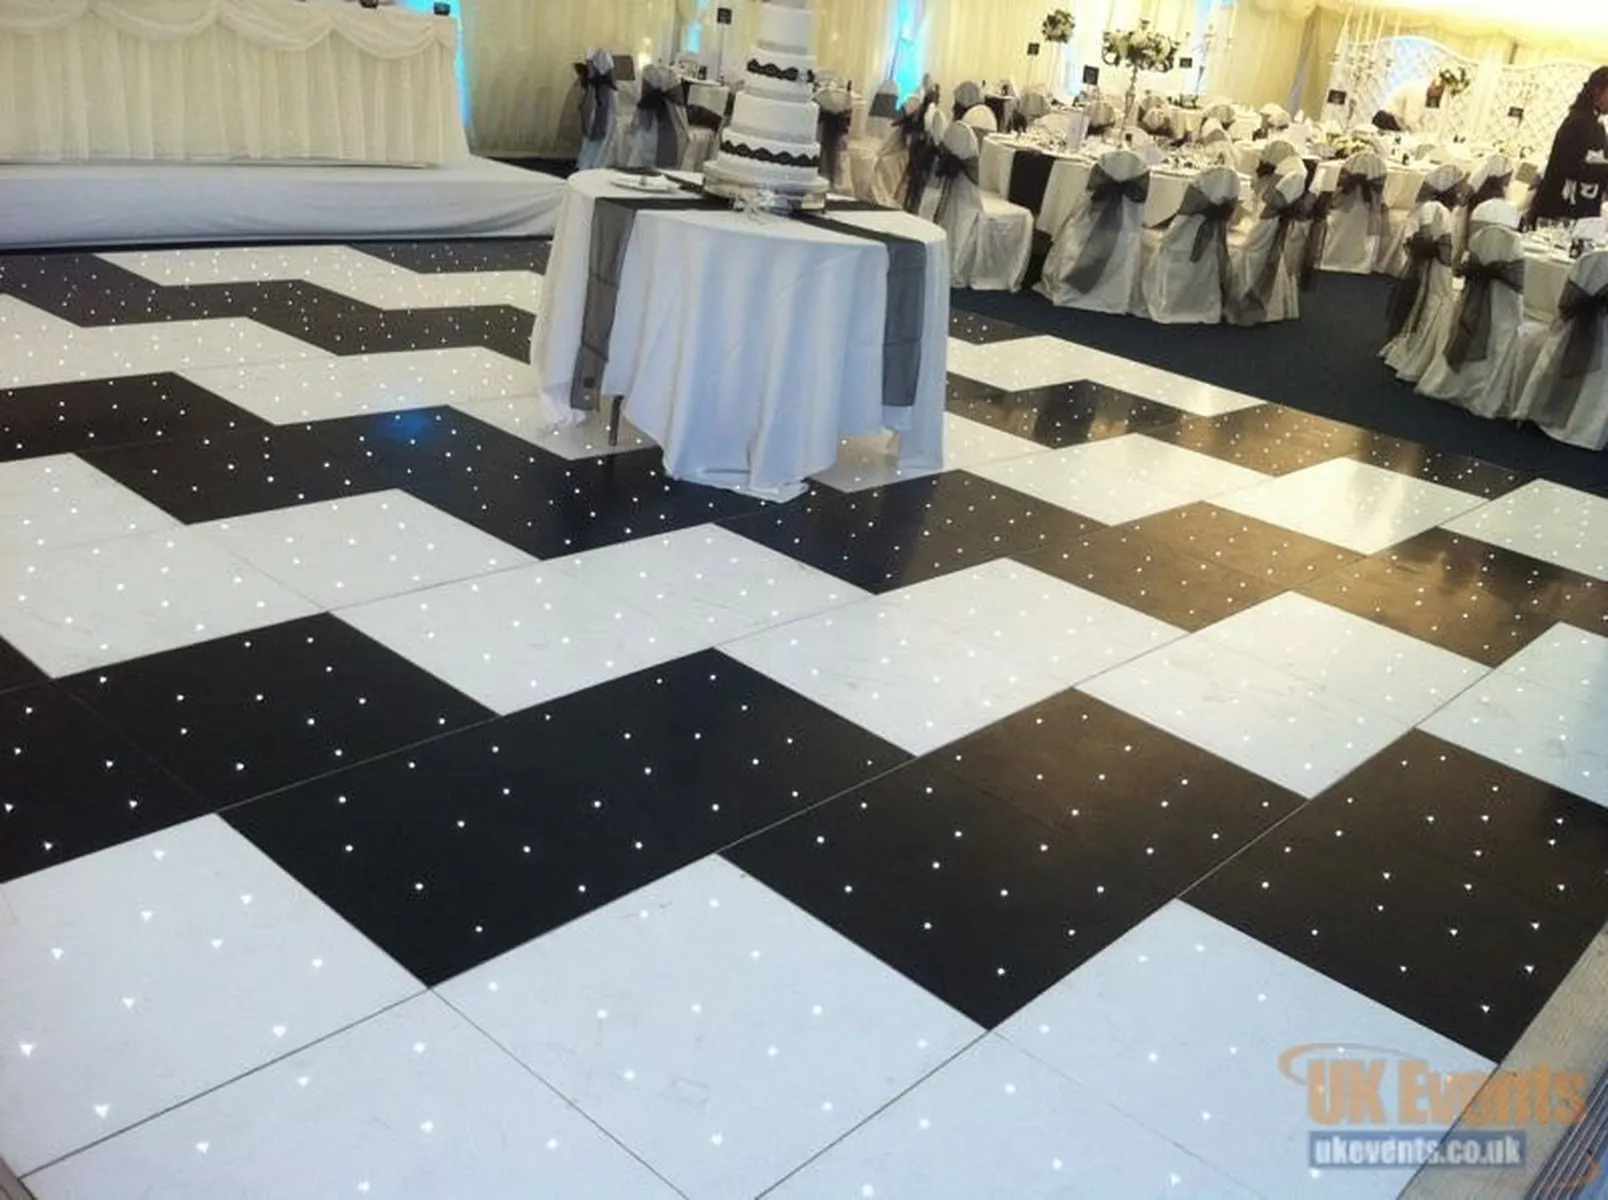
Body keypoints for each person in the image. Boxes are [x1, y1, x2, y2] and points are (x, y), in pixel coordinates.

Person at [1528, 67, 1608, 225]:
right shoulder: (1578, 122)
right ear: (1597, 91)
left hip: (1577, 212)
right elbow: (1568, 167)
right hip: (1558, 213)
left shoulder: (1595, 125)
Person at [1372, 78, 1440, 133]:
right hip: (1387, 120)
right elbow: (1410, 120)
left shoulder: (1431, 96)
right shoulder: (1419, 92)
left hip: (1398, 125)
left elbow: (1429, 120)